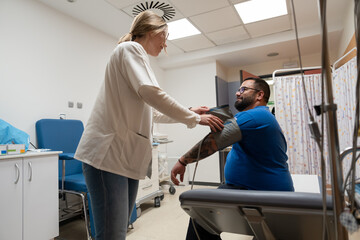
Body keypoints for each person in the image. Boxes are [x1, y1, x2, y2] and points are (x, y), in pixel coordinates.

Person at [74, 10, 223, 240]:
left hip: (123, 158)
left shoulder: (135, 58)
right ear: (154, 32)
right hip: (108, 156)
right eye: (165, 38)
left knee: (119, 229)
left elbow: (152, 112)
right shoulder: (130, 49)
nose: (165, 46)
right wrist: (194, 118)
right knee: (111, 234)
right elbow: (152, 93)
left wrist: (189, 111)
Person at [171, 77, 294, 240]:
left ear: (259, 95)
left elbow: (212, 142)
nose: (237, 93)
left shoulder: (255, 116)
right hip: (249, 188)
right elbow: (230, 130)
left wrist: (182, 161)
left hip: (262, 192)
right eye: (238, 89)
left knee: (200, 214)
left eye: (243, 89)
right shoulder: (259, 116)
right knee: (203, 216)